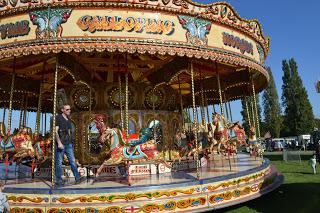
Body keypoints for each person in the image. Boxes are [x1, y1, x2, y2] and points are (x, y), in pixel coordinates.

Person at [55, 104, 85, 187]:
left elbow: (68, 132)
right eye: (67, 109)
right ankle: (58, 180)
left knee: (72, 161)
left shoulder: (68, 119)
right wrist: (59, 142)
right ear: (62, 110)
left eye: (69, 109)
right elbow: (55, 131)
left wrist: (71, 141)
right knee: (59, 162)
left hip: (68, 143)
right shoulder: (58, 117)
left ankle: (77, 177)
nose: (69, 111)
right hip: (61, 143)